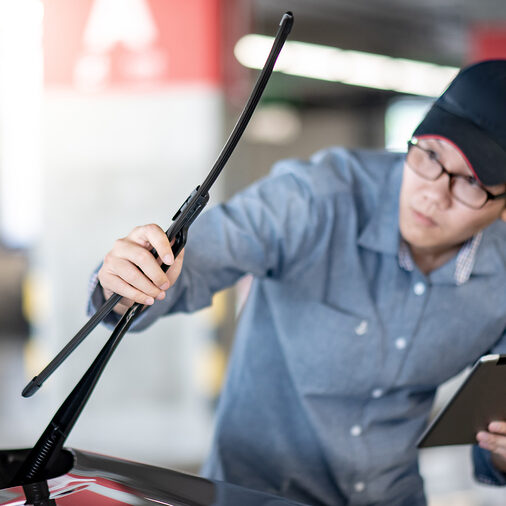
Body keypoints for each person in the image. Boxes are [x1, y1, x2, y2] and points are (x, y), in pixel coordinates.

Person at [88, 59, 506, 505]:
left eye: (470, 183)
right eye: (429, 155)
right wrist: (129, 279)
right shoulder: (314, 198)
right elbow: (191, 263)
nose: (433, 192)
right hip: (254, 496)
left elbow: (491, 433)